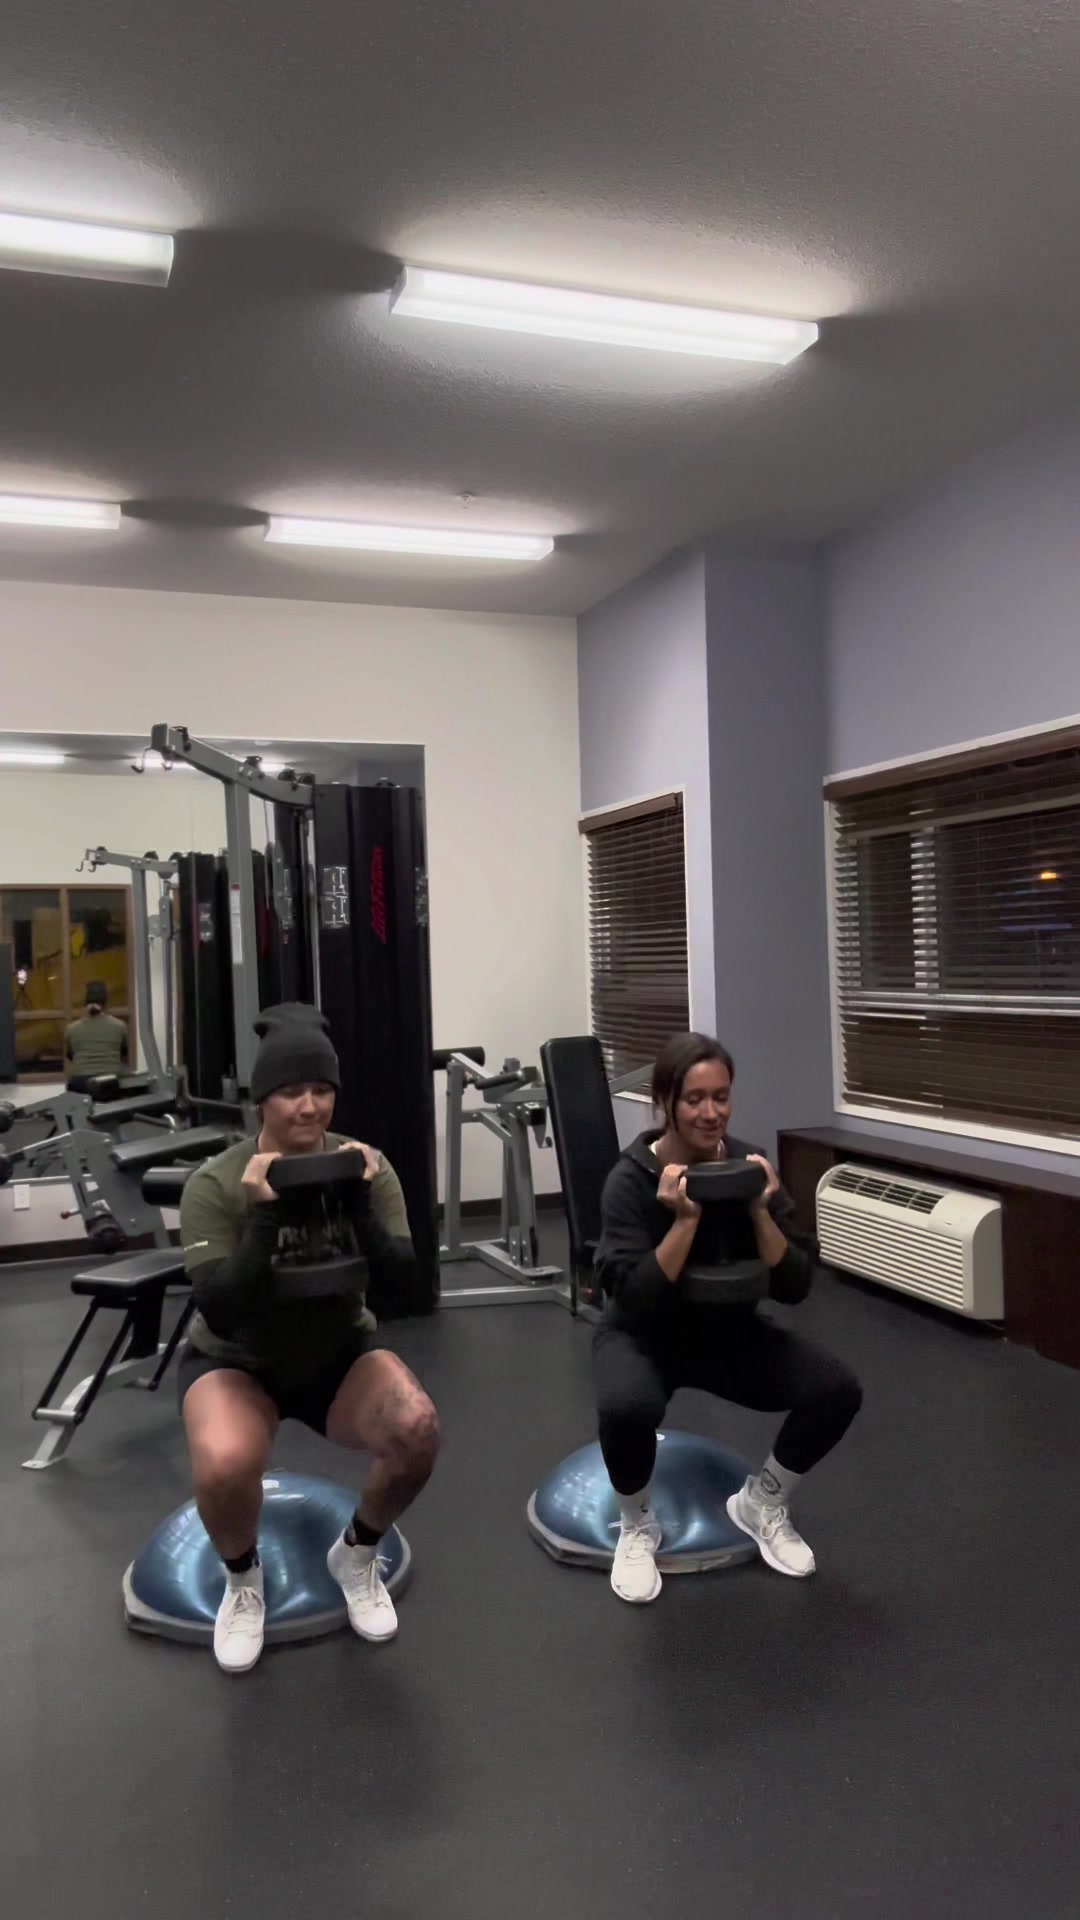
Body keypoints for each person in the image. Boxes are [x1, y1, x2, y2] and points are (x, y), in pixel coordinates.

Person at [177, 1002, 440, 1673]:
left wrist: (358, 1205)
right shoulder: (215, 1184)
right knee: (225, 1461)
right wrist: (264, 1218)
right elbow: (220, 1308)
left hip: (337, 1355)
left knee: (417, 1429)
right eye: (291, 1091)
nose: (308, 1106)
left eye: (321, 1089)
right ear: (261, 1100)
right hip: (238, 1362)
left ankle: (356, 1555)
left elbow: (409, 1293)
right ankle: (243, 1581)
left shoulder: (366, 1168)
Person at [593, 1031, 862, 1605]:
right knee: (626, 1406)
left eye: (721, 1097)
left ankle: (762, 1502)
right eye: (695, 1099)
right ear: (666, 1102)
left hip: (728, 1334)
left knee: (837, 1390)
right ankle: (637, 1525)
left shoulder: (748, 1167)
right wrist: (685, 1220)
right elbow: (633, 1297)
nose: (710, 1112)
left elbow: (795, 1286)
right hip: (646, 1336)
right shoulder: (629, 1180)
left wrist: (759, 1210)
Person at [65, 981, 128, 1090]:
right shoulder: (119, 1026)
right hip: (110, 1081)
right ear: (105, 1004)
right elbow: (123, 1053)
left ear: (85, 1005)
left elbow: (71, 1055)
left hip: (81, 1083)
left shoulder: (72, 1029)